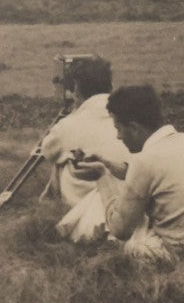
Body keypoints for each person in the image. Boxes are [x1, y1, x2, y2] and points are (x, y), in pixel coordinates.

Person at [77, 85, 184, 264]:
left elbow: (119, 229)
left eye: (119, 129)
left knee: (132, 242)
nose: (118, 137)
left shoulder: (145, 161)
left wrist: (102, 177)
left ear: (134, 128)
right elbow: (159, 175)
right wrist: (110, 165)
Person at [36, 56, 129, 243]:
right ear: (110, 86)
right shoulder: (127, 116)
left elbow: (46, 150)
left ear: (76, 90)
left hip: (87, 207)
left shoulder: (69, 124)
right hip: (127, 203)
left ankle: (51, 212)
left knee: (61, 158)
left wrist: (72, 113)